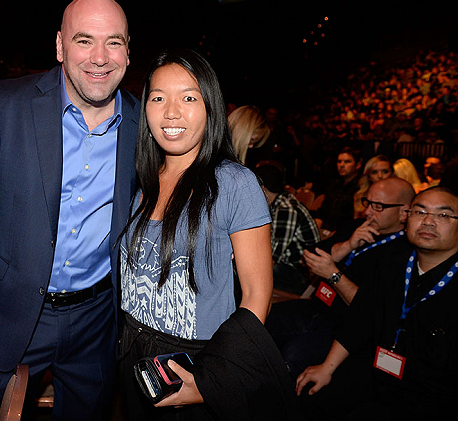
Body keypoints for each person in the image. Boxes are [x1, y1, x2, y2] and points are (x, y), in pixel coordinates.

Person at [0, 0, 140, 421]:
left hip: (98, 321)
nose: (100, 58)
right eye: (85, 40)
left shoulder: (145, 126)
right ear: (60, 47)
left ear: (128, 49)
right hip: (6, 315)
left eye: (114, 42)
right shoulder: (1, 106)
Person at [118, 48, 298, 420]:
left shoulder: (234, 182)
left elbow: (257, 295)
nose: (171, 112)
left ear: (210, 107)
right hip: (133, 358)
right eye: (157, 98)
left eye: (188, 97)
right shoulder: (142, 182)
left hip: (197, 362)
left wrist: (211, 380)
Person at [295, 186, 458, 420]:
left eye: (443, 215)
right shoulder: (391, 264)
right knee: (310, 394)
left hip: (434, 395)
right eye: (420, 212)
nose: (428, 222)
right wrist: (327, 368)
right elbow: (360, 318)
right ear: (407, 217)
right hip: (377, 372)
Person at [266, 177, 415, 378]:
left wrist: (333, 274)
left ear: (404, 212)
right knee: (255, 321)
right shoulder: (357, 226)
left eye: (378, 206)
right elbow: (310, 255)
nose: (368, 211)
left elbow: (370, 310)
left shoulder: (405, 252)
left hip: (345, 326)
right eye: (367, 203)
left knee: (293, 356)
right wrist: (348, 246)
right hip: (317, 306)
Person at [254, 161, 320, 294]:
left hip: (298, 273)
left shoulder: (285, 209)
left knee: (248, 270)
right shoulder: (278, 204)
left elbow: (273, 255)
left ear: (262, 188)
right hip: (289, 268)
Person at [313, 147, 362, 238]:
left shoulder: (361, 187)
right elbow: (324, 209)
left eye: (347, 162)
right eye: (339, 162)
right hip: (325, 231)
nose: (342, 165)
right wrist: (317, 223)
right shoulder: (333, 185)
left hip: (346, 235)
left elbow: (356, 219)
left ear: (358, 164)